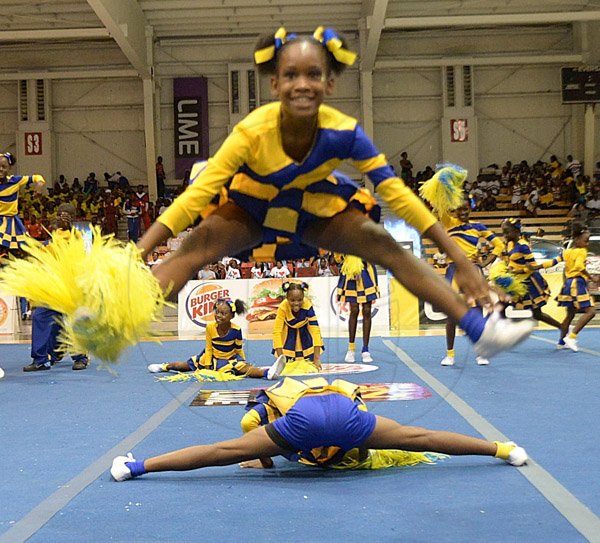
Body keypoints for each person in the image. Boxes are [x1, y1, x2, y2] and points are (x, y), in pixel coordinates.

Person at [132, 26, 532, 363]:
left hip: (315, 212)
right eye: (290, 75)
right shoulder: (252, 131)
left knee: (384, 243)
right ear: (275, 83)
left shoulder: (345, 132)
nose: (301, 84)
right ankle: (118, 310)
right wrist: (136, 254)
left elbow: (398, 195)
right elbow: (194, 196)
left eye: (312, 74)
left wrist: (461, 261)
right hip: (252, 209)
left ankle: (480, 330)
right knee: (197, 245)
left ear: (329, 82)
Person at [110, 375, 528, 481]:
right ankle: (503, 449)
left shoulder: (267, 403)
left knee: (221, 453)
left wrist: (264, 460)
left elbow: (242, 434)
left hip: (304, 422)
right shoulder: (343, 391)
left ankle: (135, 467)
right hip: (345, 414)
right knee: (422, 438)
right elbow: (356, 423)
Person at [148, 298, 285, 380]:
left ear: (231, 316)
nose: (218, 316)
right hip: (210, 358)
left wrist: (243, 361)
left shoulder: (236, 330)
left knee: (246, 369)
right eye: (217, 312)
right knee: (182, 366)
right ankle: (164, 366)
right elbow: (208, 348)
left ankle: (268, 372)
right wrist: (207, 367)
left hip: (229, 359)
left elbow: (238, 349)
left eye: (223, 314)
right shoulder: (210, 327)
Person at [22, 206, 89, 372]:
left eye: (66, 216)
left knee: (74, 322)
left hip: (70, 288)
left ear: (73, 218)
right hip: (52, 288)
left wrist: (69, 227)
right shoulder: (54, 236)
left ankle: (80, 357)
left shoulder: (77, 235)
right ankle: (41, 359)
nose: (62, 218)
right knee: (40, 317)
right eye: (60, 215)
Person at [437, 202, 504, 367]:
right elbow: (439, 207)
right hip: (453, 271)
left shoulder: (478, 227)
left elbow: (499, 245)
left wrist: (485, 262)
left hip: (472, 270)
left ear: (471, 209)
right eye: (460, 209)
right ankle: (450, 354)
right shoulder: (449, 223)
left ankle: (481, 353)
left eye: (466, 209)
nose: (463, 212)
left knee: (476, 313)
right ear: (455, 210)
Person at [500, 218, 564, 335]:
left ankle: (562, 327)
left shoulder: (523, 246)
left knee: (537, 314)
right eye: (503, 232)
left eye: (507, 232)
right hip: (514, 281)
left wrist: (518, 271)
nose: (504, 235)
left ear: (515, 231)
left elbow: (533, 267)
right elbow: (509, 260)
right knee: (501, 305)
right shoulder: (509, 243)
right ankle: (502, 334)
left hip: (529, 282)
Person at [556, 223, 596, 352]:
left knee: (570, 314)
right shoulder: (582, 251)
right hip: (577, 283)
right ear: (577, 239)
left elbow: (553, 262)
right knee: (591, 312)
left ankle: (561, 341)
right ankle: (572, 337)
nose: (587, 244)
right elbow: (579, 267)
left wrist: (537, 267)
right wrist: (591, 278)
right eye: (586, 241)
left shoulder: (567, 251)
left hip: (568, 283)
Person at [272, 281, 323, 373]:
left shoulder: (307, 306)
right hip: (288, 334)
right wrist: (280, 360)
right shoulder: (283, 307)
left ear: (303, 297)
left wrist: (317, 358)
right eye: (292, 300)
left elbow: (315, 331)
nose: (296, 303)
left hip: (305, 334)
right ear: (287, 298)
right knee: (287, 366)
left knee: (309, 365)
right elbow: (277, 332)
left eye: (300, 300)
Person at [0, 152, 45, 252]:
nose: (1, 169)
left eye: (4, 166)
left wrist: (40, 186)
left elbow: (36, 177)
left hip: (12, 222)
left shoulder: (15, 181)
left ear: (9, 168)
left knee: (24, 249)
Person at [337, 256, 379, 363]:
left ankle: (365, 349)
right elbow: (337, 258)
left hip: (366, 271)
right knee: (354, 310)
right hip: (350, 272)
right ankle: (351, 348)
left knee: (367, 310)